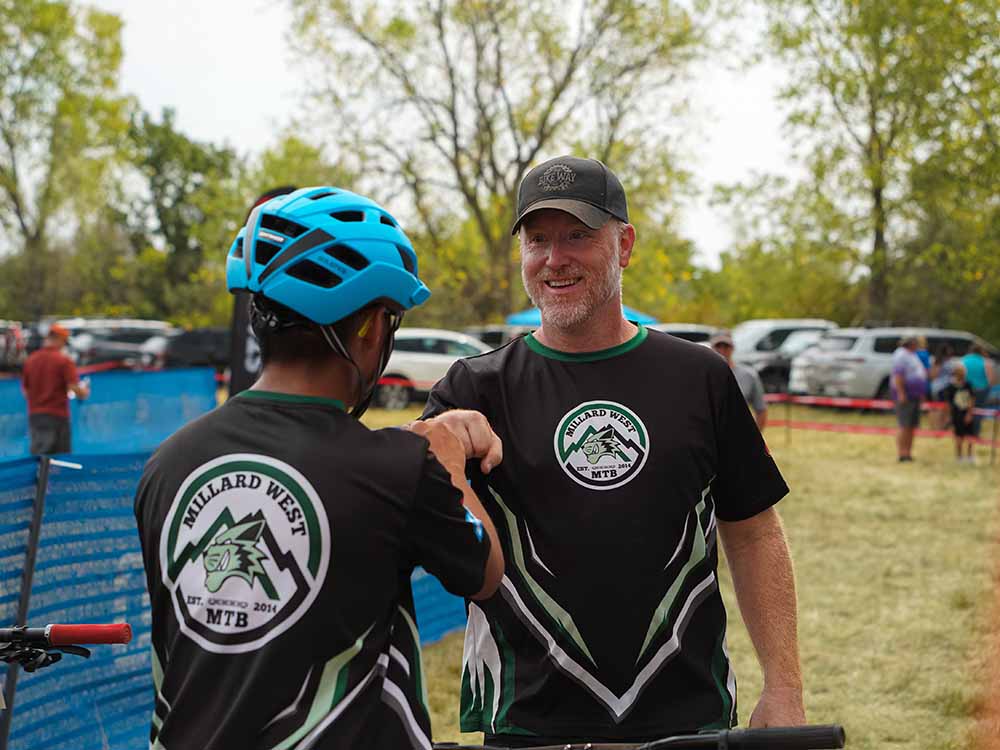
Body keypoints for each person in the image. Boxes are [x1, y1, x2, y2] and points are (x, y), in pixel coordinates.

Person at [423, 156, 805, 745]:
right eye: (538, 240)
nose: (555, 259)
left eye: (578, 235)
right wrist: (430, 452)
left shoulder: (700, 377)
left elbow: (754, 532)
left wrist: (784, 689)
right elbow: (420, 531)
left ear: (623, 245)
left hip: (688, 719)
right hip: (527, 723)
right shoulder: (474, 388)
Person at [134, 187, 504, 750]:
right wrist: (446, 456)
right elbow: (485, 572)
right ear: (371, 327)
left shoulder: (167, 463)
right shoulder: (401, 469)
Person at [20, 323, 90, 455]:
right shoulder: (64, 361)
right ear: (59, 339)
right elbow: (74, 388)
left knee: (39, 460)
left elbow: (25, 391)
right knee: (60, 462)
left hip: (35, 416)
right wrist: (84, 391)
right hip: (57, 417)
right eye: (64, 342)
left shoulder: (30, 360)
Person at [710, 330, 768, 431]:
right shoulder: (704, 374)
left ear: (733, 348)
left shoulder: (749, 375)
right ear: (712, 348)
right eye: (718, 346)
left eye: (726, 346)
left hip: (737, 434)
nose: (722, 350)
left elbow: (761, 409)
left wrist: (754, 438)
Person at [891, 335, 927, 463]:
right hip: (906, 395)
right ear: (910, 343)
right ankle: (902, 453)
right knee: (904, 424)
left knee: (911, 425)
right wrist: (901, 393)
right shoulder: (901, 355)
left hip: (914, 395)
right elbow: (898, 375)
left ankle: (908, 453)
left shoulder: (911, 355)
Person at [939, 362, 976, 464]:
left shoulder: (966, 385)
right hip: (958, 414)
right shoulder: (952, 387)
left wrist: (968, 413)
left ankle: (965, 457)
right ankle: (963, 457)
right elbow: (949, 404)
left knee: (964, 436)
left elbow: (971, 399)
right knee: (962, 436)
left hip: (961, 414)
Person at [961, 343, 995, 440]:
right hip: (981, 390)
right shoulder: (985, 361)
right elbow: (990, 379)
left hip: (966, 390)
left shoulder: (964, 360)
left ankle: (964, 432)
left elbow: (959, 375)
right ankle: (975, 433)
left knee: (965, 410)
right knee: (978, 412)